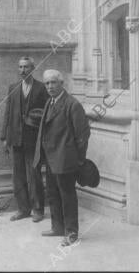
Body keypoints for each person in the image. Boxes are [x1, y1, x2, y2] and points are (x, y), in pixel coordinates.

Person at [33, 69, 90, 246]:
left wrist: (78, 159)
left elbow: (83, 135)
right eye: (47, 83)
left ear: (61, 84)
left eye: (53, 82)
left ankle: (71, 232)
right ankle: (57, 227)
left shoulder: (72, 105)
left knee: (67, 196)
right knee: (52, 193)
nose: (50, 86)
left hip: (66, 159)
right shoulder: (49, 103)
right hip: (51, 158)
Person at [1, 57, 50, 222]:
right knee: (18, 176)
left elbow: (47, 114)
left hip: (34, 140)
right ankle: (23, 209)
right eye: (20, 67)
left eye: (26, 67)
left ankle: (38, 210)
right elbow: (7, 113)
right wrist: (4, 137)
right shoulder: (13, 88)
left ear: (33, 68)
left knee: (34, 174)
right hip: (15, 138)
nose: (23, 70)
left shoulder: (41, 88)